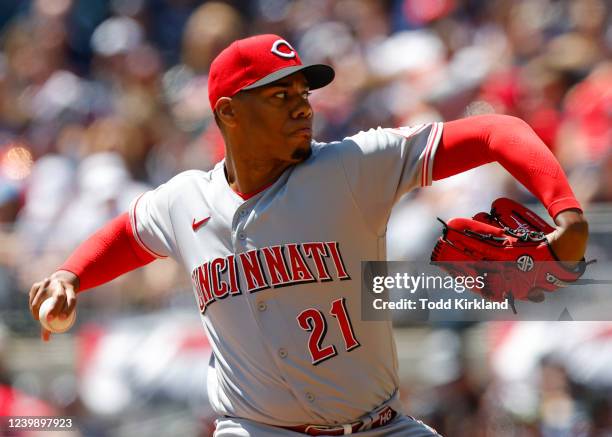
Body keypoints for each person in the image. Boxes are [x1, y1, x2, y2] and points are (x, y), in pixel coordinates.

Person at [29, 34, 588, 436]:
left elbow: (497, 130)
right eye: (279, 96)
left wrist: (565, 210)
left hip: (379, 427)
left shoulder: (353, 166)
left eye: (303, 92)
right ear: (228, 113)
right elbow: (129, 233)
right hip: (255, 430)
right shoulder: (185, 200)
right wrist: (68, 275)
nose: (302, 106)